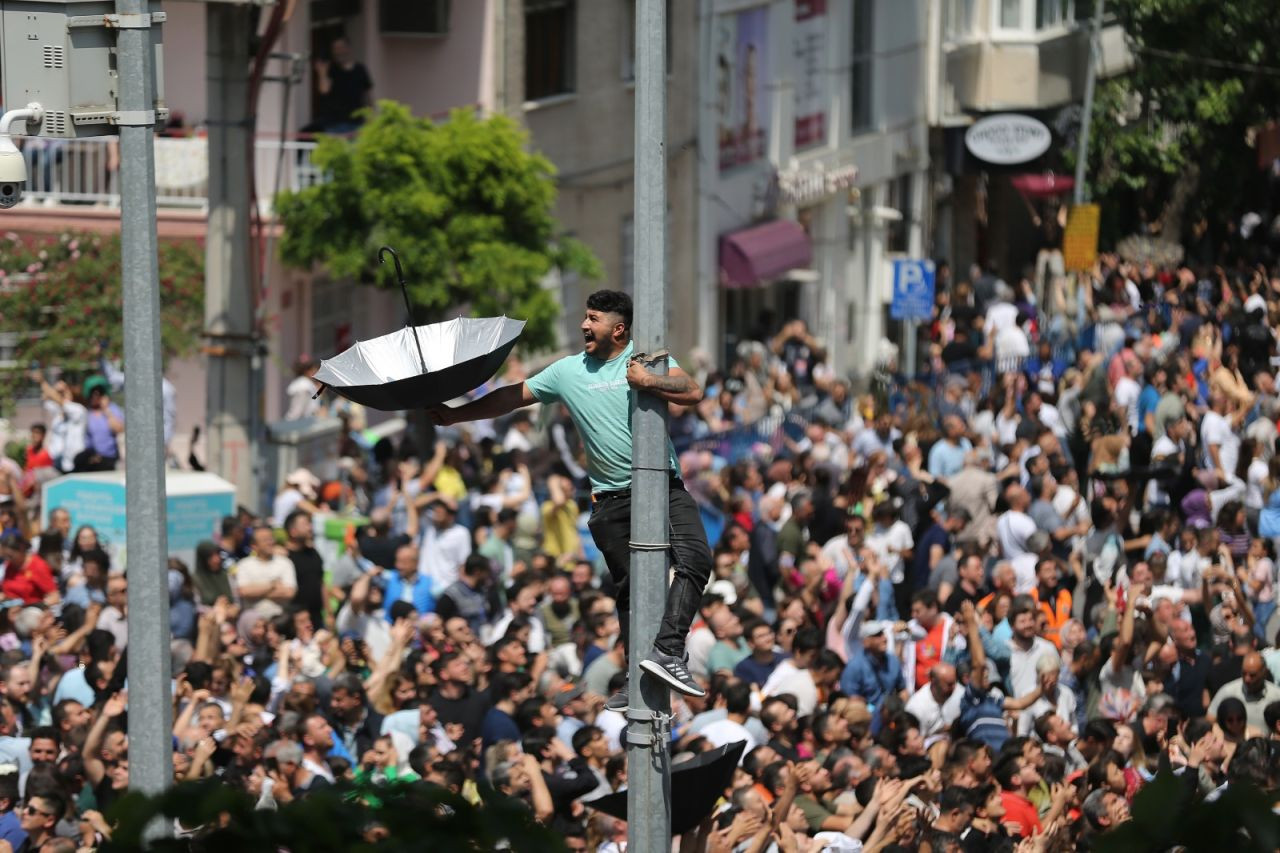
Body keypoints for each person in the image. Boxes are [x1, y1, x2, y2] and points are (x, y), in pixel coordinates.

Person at [430, 290, 711, 702]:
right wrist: (455, 414)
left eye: (593, 318)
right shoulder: (567, 370)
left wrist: (648, 381)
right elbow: (513, 396)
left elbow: (692, 391)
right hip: (609, 499)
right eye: (585, 316)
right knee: (631, 590)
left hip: (659, 487)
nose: (583, 325)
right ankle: (636, 677)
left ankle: (668, 649)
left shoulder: (643, 357)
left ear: (618, 329)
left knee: (695, 558)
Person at [311, 37, 373, 133]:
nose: (338, 51)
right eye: (335, 49)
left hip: (356, 123)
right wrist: (322, 73)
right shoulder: (331, 69)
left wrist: (370, 117)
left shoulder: (360, 69)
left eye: (341, 48)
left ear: (348, 48)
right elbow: (324, 90)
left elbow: (367, 95)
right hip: (333, 123)